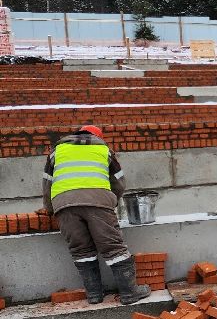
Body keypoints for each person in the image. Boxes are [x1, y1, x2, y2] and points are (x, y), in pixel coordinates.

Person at [41, 124, 151, 305]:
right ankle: (129, 293)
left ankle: (94, 295)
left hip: (64, 204)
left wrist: (51, 209)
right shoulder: (104, 150)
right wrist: (109, 201)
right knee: (113, 247)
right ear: (98, 137)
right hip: (98, 201)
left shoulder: (56, 151)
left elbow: (47, 185)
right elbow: (120, 184)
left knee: (81, 250)